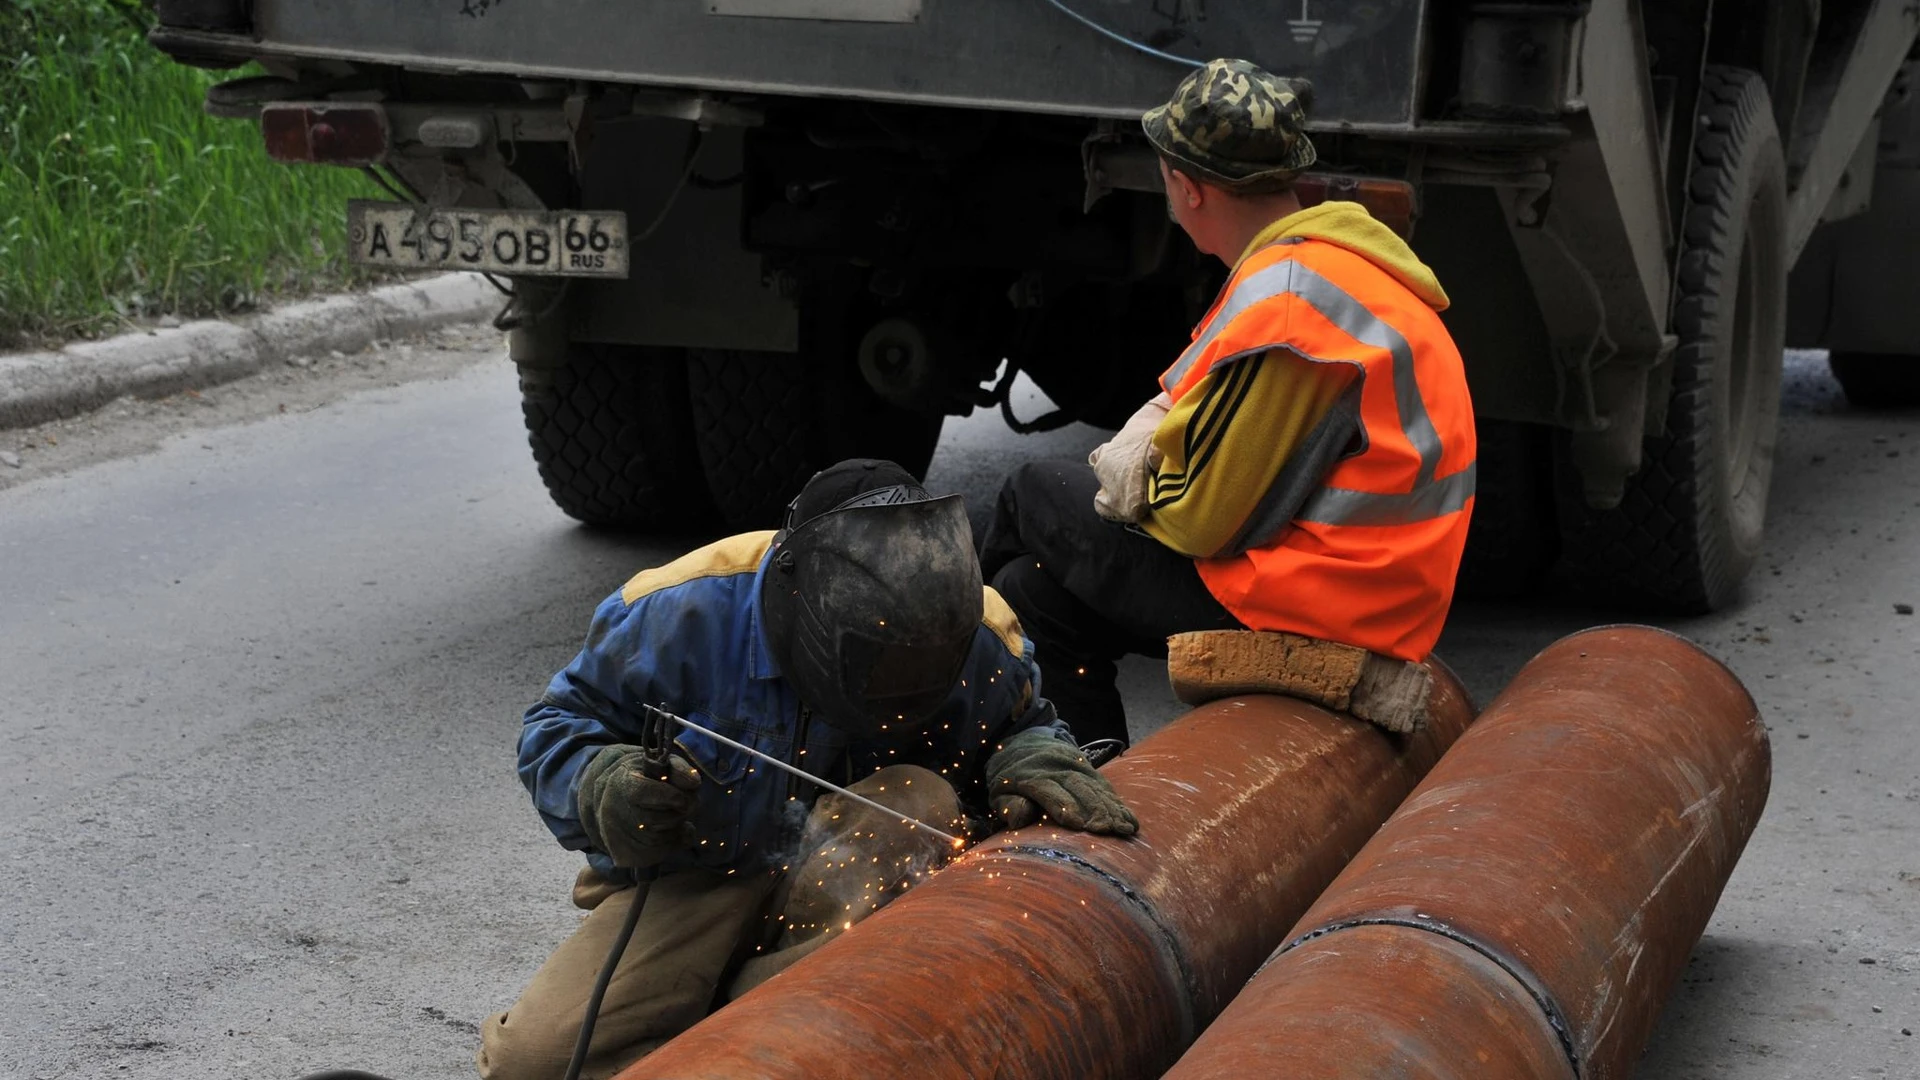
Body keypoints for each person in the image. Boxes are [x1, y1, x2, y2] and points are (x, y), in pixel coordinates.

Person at [480, 459, 1136, 1080]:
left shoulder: (978, 630)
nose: (898, 689)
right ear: (798, 603)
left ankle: (772, 1033)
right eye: (879, 667)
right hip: (700, 875)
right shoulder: (679, 611)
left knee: (919, 800)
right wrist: (601, 787)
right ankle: (743, 1029)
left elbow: (1025, 720)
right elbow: (557, 727)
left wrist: (1030, 753)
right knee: (534, 1063)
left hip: (856, 877)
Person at [980, 59, 1477, 749]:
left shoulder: (1292, 299)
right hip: (1368, 592)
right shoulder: (1336, 262)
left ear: (1186, 188)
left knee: (1030, 492)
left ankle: (932, 704)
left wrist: (1129, 471)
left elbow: (1197, 520)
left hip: (1315, 605)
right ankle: (1090, 783)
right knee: (1029, 590)